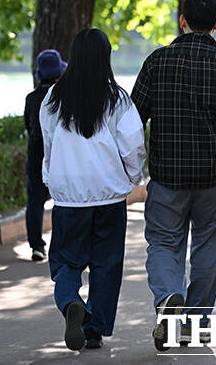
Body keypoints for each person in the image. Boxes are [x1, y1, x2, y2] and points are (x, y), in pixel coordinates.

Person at [131, 0, 216, 351]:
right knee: (208, 250)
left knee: (164, 243)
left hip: (168, 176)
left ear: (182, 20)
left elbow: (133, 117)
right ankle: (196, 323)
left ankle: (169, 296)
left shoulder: (157, 62)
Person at [40, 28, 146, 351]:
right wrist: (133, 178)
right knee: (106, 263)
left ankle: (72, 301)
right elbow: (133, 146)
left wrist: (50, 176)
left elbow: (48, 143)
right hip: (110, 198)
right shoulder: (118, 99)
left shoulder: (53, 98)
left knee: (65, 262)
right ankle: (95, 328)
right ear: (106, 58)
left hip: (69, 199)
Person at [23, 50, 66, 261]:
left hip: (35, 152)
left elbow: (27, 126)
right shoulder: (64, 95)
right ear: (59, 73)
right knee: (64, 200)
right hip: (59, 152)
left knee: (35, 200)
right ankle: (63, 243)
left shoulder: (31, 98)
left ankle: (37, 246)